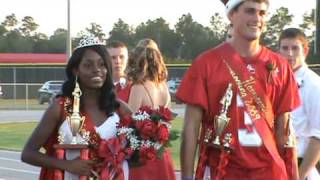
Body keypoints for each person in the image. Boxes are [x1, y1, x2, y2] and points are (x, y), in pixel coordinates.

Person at [176, 0, 301, 180]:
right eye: (250, 11)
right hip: (222, 170)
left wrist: (291, 174)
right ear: (232, 15)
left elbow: (285, 130)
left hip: (269, 171)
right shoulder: (206, 63)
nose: (257, 18)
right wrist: (187, 177)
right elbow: (191, 126)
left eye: (262, 13)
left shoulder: (280, 65)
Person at [21, 36, 130, 180]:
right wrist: (66, 164)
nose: (96, 70)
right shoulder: (60, 107)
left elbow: (136, 151)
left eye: (102, 64)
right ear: (75, 70)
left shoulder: (119, 107)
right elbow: (28, 153)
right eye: (88, 65)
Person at [125, 38, 176, 180]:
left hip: (143, 157)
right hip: (162, 152)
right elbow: (168, 120)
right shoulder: (163, 86)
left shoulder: (138, 87)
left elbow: (130, 124)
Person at [279, 27, 320, 180]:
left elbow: (318, 137)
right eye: (285, 48)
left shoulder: (314, 85)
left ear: (305, 51)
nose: (290, 54)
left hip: (300, 167)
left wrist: (300, 175)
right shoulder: (275, 82)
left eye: (295, 48)